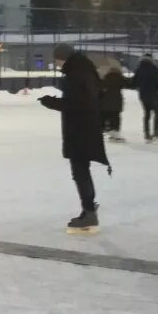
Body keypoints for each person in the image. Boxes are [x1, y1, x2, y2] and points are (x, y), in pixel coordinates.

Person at [41, 44, 110, 233]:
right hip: (87, 128)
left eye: (56, 60)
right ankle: (88, 207)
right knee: (81, 170)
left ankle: (89, 211)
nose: (56, 64)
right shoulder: (85, 69)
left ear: (63, 58)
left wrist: (52, 102)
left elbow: (77, 103)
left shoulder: (75, 74)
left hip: (80, 130)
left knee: (80, 171)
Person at [132, 53, 158, 142]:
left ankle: (147, 133)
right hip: (153, 94)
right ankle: (156, 132)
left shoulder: (139, 69)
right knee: (157, 113)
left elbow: (134, 82)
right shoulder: (154, 69)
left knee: (147, 113)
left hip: (143, 95)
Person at [99, 59, 126, 143]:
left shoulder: (105, 78)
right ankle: (115, 134)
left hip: (106, 103)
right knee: (115, 118)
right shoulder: (120, 78)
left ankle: (103, 130)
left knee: (105, 117)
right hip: (117, 102)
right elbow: (129, 84)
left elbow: (100, 89)